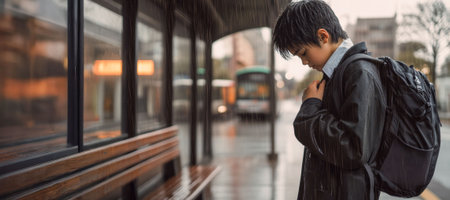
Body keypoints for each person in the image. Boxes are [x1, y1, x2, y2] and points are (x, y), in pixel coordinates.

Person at [273, 0, 386, 199]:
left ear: (323, 36)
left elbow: (353, 149)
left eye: (303, 53)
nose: (305, 62)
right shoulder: (340, 72)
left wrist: (310, 108)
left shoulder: (359, 72)